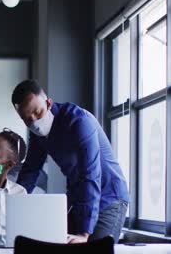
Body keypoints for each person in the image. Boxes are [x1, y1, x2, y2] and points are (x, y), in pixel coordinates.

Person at [11, 80, 129, 243]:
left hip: (109, 196)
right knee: (56, 242)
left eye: (37, 113)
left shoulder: (80, 122)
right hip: (80, 197)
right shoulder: (37, 135)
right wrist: (13, 211)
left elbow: (90, 174)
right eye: (27, 119)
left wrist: (84, 233)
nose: (35, 122)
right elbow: (30, 172)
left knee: (94, 248)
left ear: (48, 102)